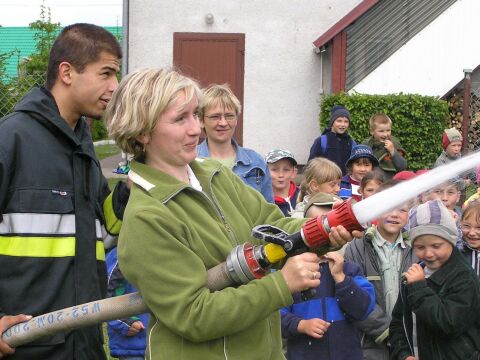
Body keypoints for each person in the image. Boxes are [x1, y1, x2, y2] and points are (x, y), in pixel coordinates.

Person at [103, 68, 359, 360]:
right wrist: (281, 285)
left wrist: (326, 228)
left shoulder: (215, 175)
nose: (196, 129)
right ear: (142, 132)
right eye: (180, 118)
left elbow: (273, 224)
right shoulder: (146, 217)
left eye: (195, 114)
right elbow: (194, 314)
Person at [0, 23, 129, 359]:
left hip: (84, 346)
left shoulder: (83, 147)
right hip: (25, 348)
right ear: (67, 72)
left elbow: (109, 227)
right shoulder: (10, 141)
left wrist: (131, 185)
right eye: (106, 73)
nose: (115, 86)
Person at [389, 200, 480, 360]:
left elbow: (449, 324)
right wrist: (403, 354)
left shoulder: (464, 277)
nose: (429, 254)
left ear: (451, 241)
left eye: (436, 246)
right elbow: (399, 322)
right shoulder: (413, 274)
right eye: (420, 247)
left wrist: (419, 288)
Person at [344, 181, 417, 360]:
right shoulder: (357, 248)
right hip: (370, 345)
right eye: (388, 207)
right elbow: (354, 297)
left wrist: (404, 341)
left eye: (402, 210)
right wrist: (388, 332)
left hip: (410, 343)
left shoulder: (416, 248)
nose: (394, 214)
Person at [281, 248, 375, 360]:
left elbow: (363, 309)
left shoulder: (349, 269)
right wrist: (301, 325)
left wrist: (340, 277)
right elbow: (274, 317)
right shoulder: (290, 273)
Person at [197, 84, 274, 202]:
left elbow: (269, 211)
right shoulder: (191, 161)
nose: (223, 123)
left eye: (229, 116)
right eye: (215, 116)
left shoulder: (255, 163)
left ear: (236, 119)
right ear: (201, 121)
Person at [106, 247, 149, 360]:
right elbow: (107, 294)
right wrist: (124, 321)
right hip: (134, 343)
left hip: (166, 342)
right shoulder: (123, 252)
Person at [308, 105, 357, 175]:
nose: (343, 124)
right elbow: (311, 165)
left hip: (345, 183)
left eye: (346, 121)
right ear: (332, 122)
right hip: (325, 182)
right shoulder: (321, 141)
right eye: (339, 121)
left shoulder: (352, 143)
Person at [362, 113, 407, 179]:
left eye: (388, 130)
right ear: (372, 131)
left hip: (391, 182)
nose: (385, 134)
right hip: (372, 181)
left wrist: (393, 151)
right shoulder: (366, 144)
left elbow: (402, 167)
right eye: (381, 131)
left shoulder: (394, 143)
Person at [265, 149, 300, 216]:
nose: (281, 175)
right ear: (265, 171)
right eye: (274, 169)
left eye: (286, 170)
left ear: (294, 173)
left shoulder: (303, 196)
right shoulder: (263, 200)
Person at [458, 200, 480, 277]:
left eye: (479, 228)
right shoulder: (455, 251)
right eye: (466, 226)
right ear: (460, 223)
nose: (472, 233)